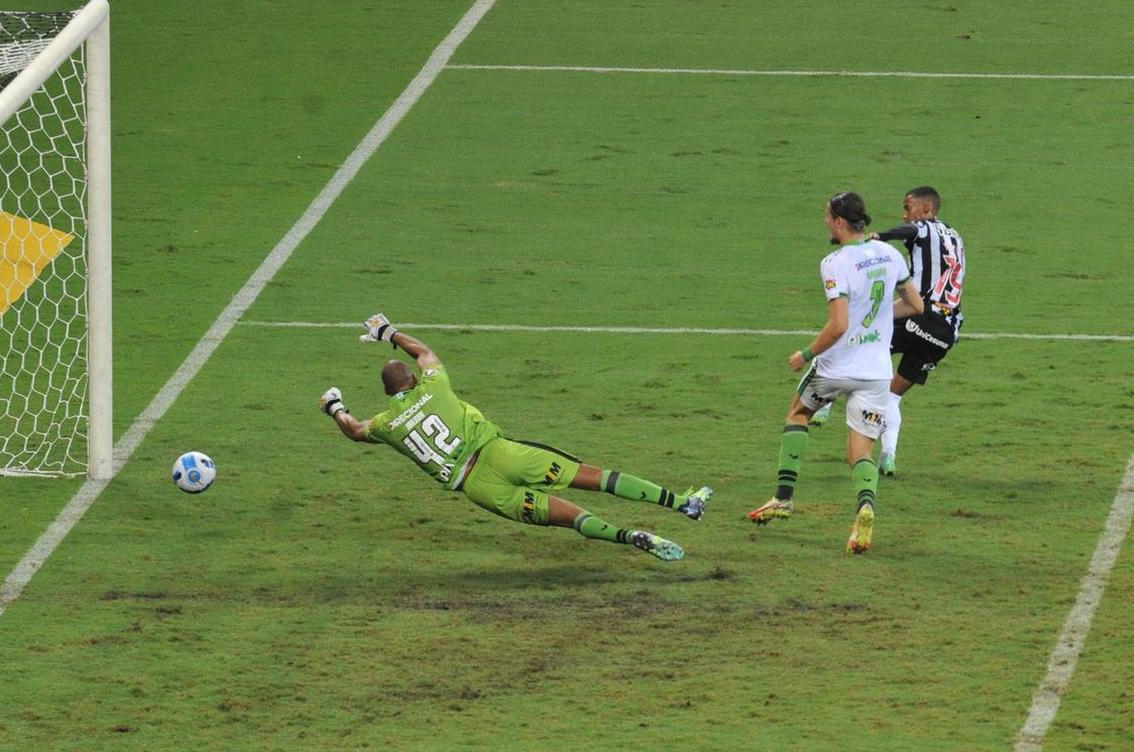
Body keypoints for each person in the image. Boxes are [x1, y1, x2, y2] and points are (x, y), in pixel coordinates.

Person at [319, 314, 713, 561]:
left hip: (477, 486)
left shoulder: (388, 424)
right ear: (413, 380)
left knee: (568, 517)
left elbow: (354, 430)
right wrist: (388, 331)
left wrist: (334, 405)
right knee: (595, 477)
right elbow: (425, 352)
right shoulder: (434, 387)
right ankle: (683, 504)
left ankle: (631, 537)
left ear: (389, 394)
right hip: (500, 453)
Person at [747, 192, 923, 554]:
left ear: (841, 223)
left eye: (828, 216)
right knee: (860, 451)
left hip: (835, 367)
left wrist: (806, 353)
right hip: (876, 372)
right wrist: (877, 318)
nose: (825, 221)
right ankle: (865, 509)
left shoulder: (834, 262)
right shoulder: (891, 255)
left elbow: (839, 324)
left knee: (798, 413)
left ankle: (783, 497)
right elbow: (915, 304)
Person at [809, 186, 965, 477]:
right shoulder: (954, 236)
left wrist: (880, 236)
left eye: (909, 208)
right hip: (945, 332)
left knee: (849, 331)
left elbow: (911, 231)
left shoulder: (926, 228)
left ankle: (821, 405)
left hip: (922, 314)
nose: (905, 215)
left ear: (928, 210)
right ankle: (888, 457)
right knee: (891, 396)